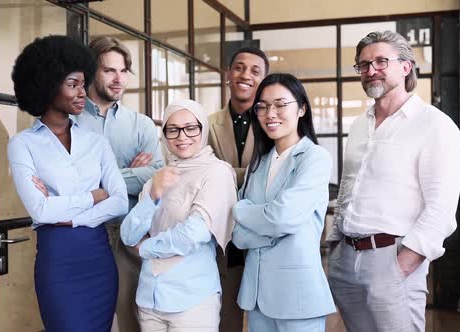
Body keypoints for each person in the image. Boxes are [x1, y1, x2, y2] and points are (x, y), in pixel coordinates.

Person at [326, 30, 460, 332]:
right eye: (363, 64)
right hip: (345, 259)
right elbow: (349, 186)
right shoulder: (360, 126)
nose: (370, 70)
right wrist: (334, 244)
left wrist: (404, 264)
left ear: (406, 66)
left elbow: (440, 207)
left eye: (380, 61)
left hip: (392, 258)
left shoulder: (435, 125)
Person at [8, 35, 128, 331]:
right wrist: (93, 196)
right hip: (58, 261)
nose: (82, 93)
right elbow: (41, 211)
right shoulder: (23, 145)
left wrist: (71, 218)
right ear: (48, 86)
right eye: (73, 85)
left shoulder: (96, 142)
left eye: (83, 85)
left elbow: (120, 200)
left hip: (98, 258)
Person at [120, 99, 237, 331]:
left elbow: (192, 235)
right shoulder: (160, 176)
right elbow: (128, 234)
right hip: (149, 297)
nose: (182, 137)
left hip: (192, 300)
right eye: (172, 130)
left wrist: (145, 248)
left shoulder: (217, 172)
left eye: (191, 128)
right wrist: (154, 193)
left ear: (203, 129)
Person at [72, 36, 164, 332]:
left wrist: (105, 181)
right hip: (84, 237)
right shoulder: (66, 122)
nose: (118, 79)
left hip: (132, 238)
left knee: (131, 320)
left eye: (123, 71)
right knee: (86, 320)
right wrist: (129, 174)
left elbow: (158, 175)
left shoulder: (142, 125)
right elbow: (66, 185)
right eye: (108, 70)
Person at [232, 73, 335, 331]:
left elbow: (282, 217)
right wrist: (274, 230)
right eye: (263, 106)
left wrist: (241, 209)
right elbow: (236, 234)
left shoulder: (314, 158)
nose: (270, 113)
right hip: (257, 296)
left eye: (280, 104)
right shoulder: (259, 163)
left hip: (297, 294)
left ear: (301, 108)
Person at [207, 46, 269, 332]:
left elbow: (277, 177)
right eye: (239, 68)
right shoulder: (206, 125)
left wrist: (223, 173)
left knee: (266, 317)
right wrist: (254, 174)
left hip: (265, 236)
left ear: (264, 80)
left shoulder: (275, 123)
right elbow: (201, 175)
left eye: (255, 71)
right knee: (226, 320)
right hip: (221, 237)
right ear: (228, 75)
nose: (246, 75)